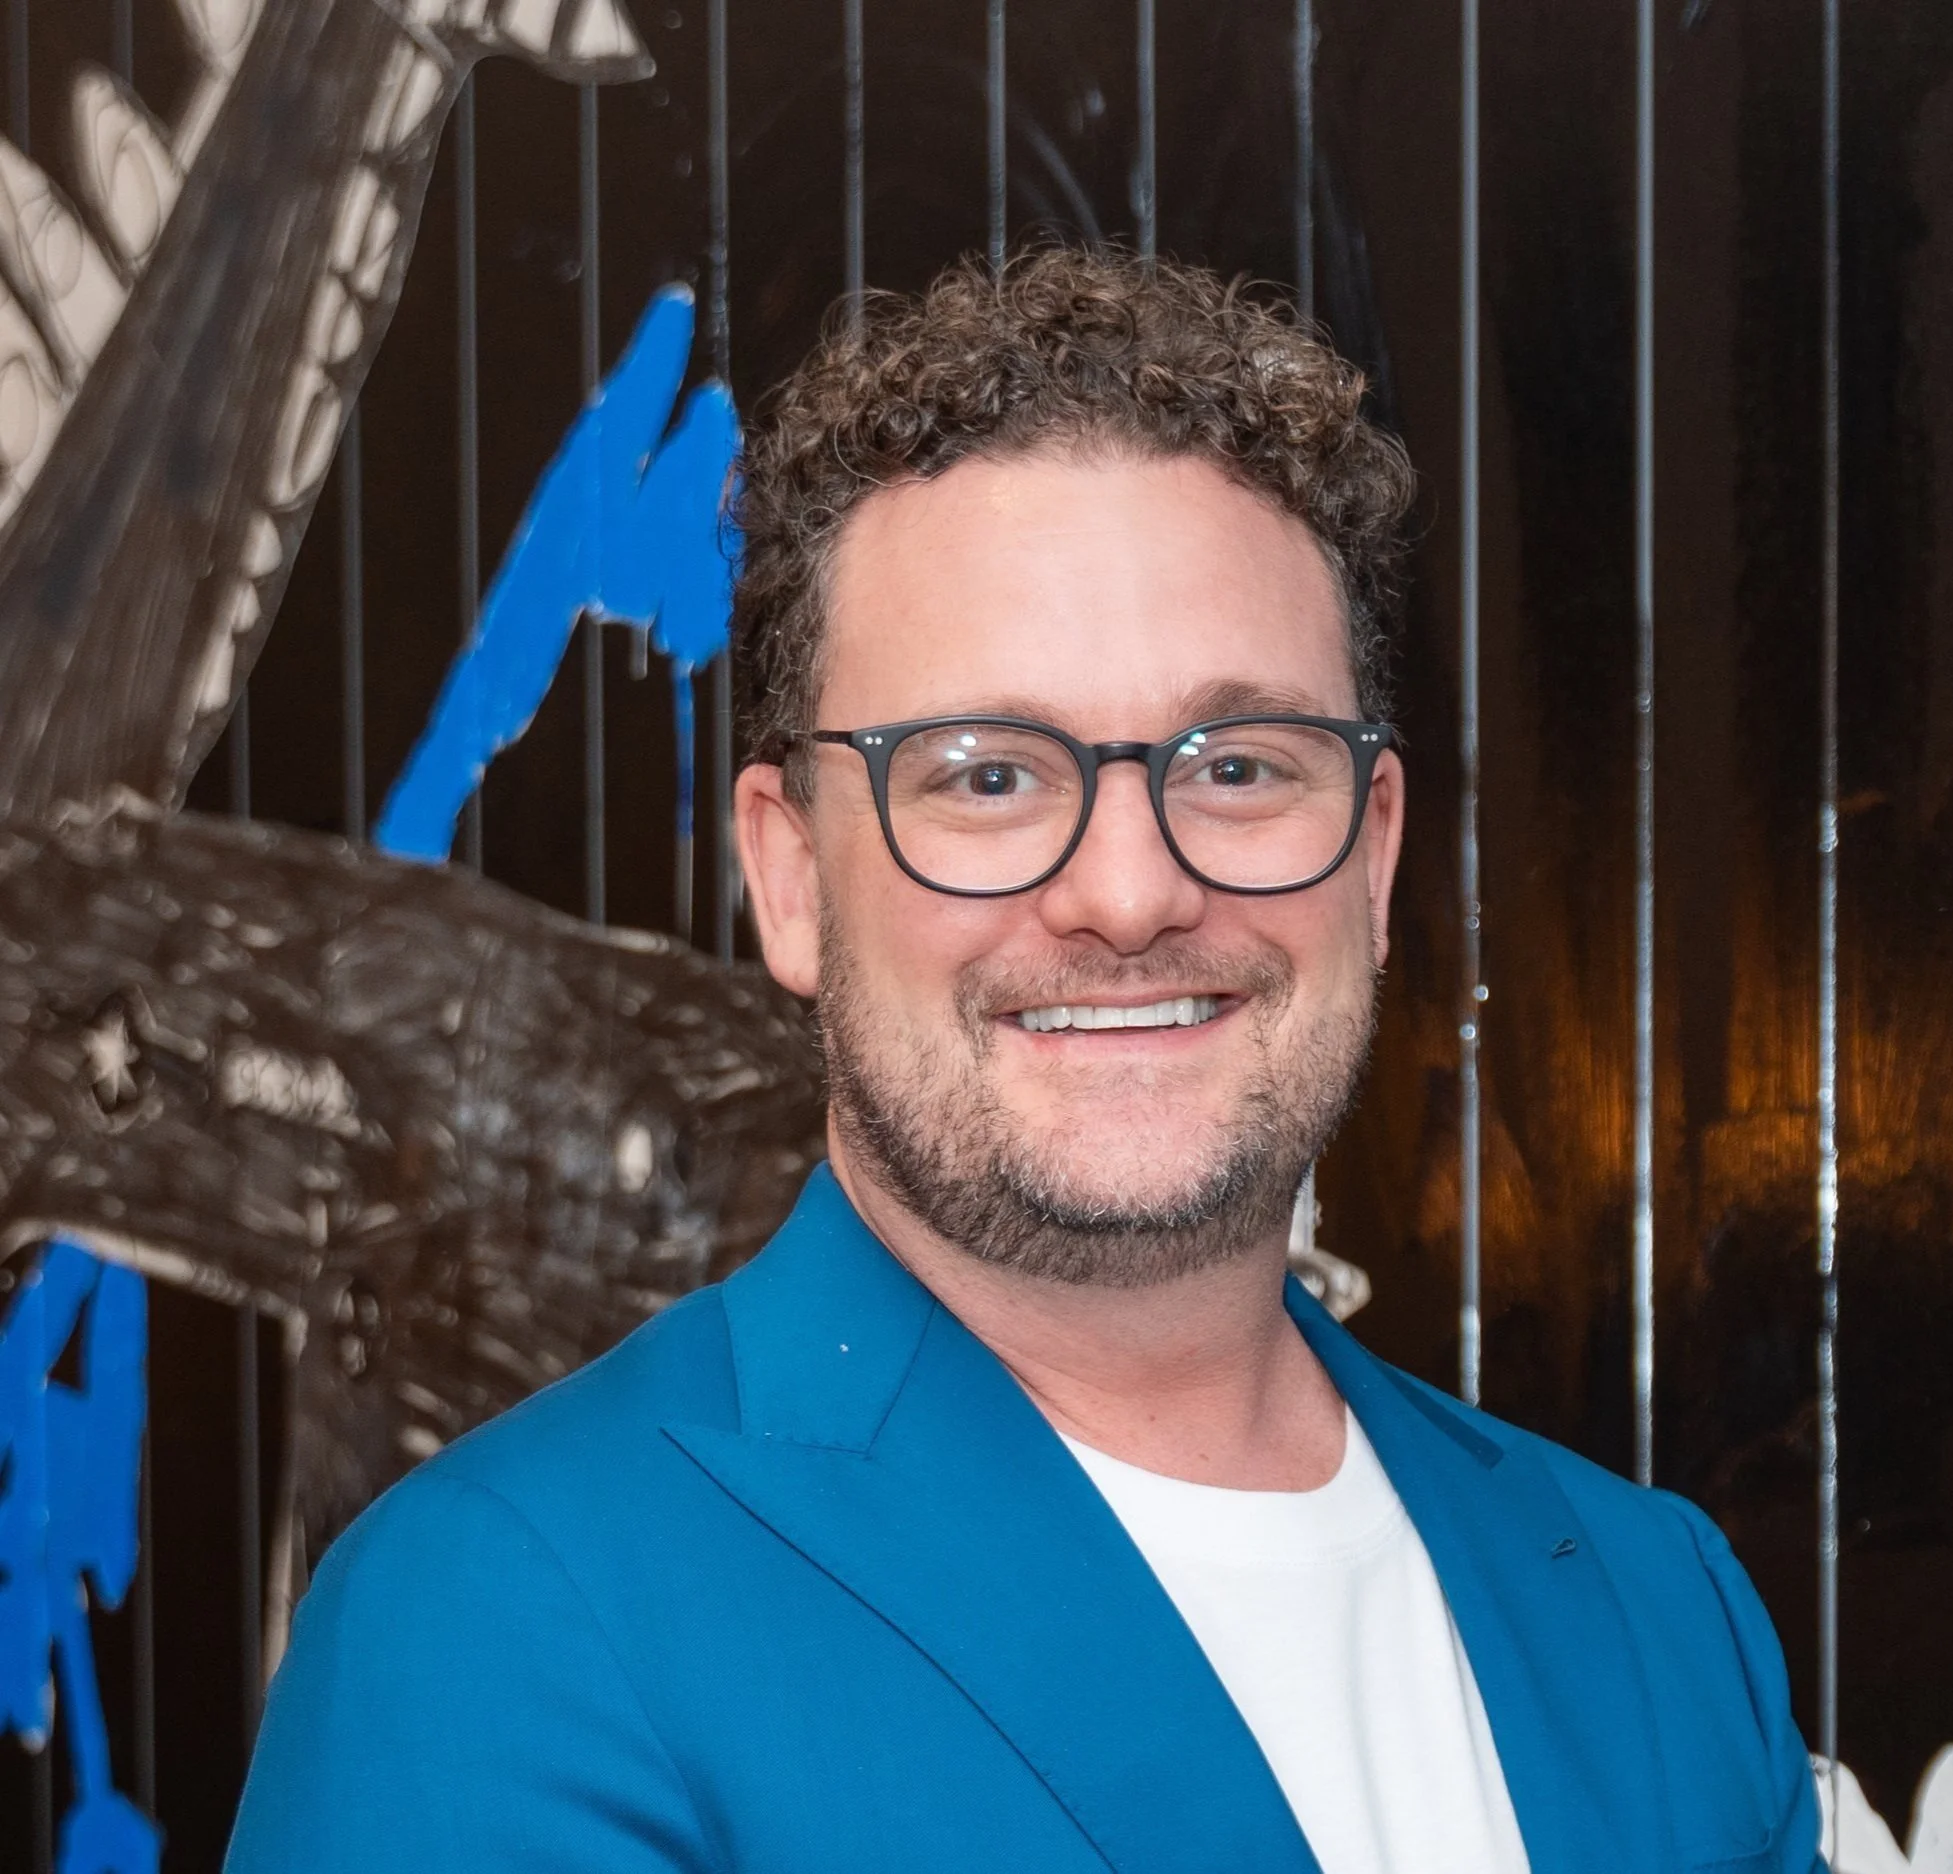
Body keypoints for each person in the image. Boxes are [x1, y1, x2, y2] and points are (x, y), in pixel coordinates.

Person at [227, 247, 1823, 1874]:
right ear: (789, 875)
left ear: (1373, 853)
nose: (1129, 892)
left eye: (1239, 764)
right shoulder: (499, 1629)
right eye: (986, 776)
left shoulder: (1652, 1605)